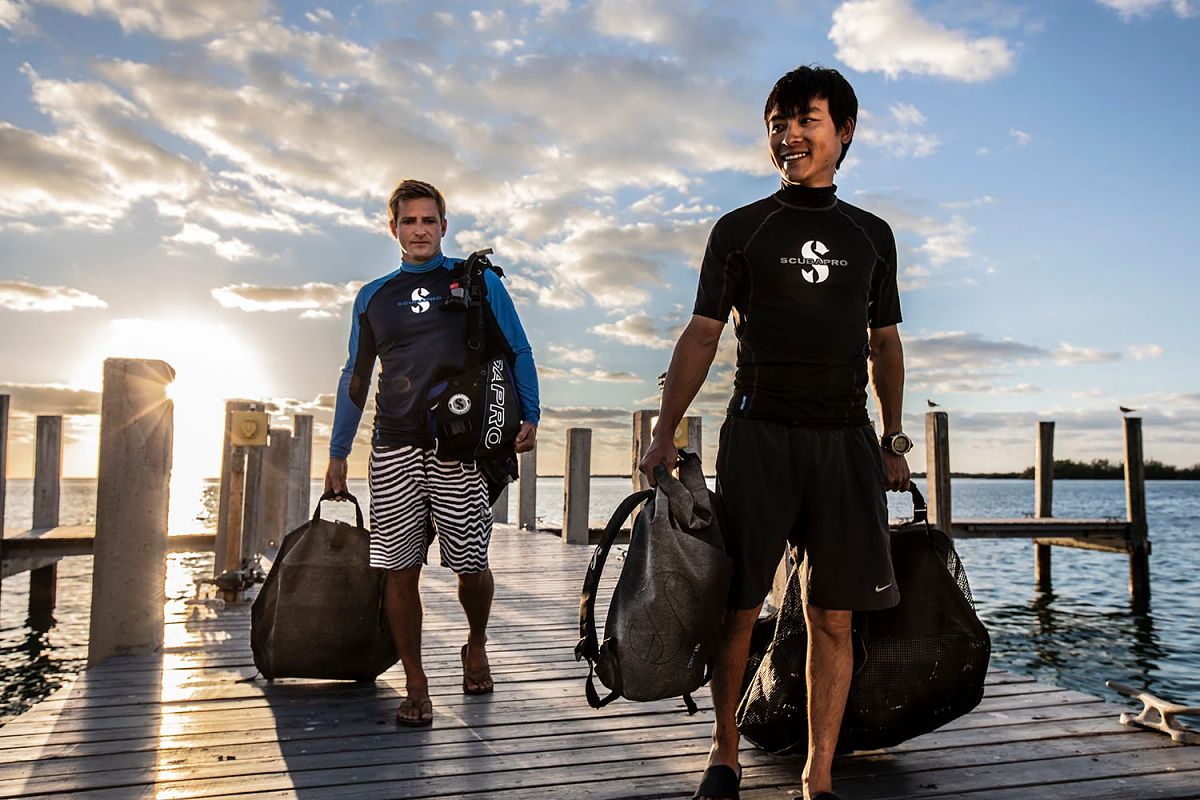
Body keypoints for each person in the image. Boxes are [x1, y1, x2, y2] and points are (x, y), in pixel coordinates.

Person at [640, 66, 911, 800]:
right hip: (759, 436)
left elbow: (884, 343)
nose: (789, 135)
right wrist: (663, 431)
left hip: (844, 441)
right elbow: (702, 334)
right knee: (738, 606)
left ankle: (818, 776)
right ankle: (724, 752)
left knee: (834, 614)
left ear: (843, 131)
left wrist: (892, 438)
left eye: (805, 120)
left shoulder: (872, 236)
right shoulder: (740, 229)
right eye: (777, 124)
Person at [325, 179, 540, 727]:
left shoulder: (477, 280)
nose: (419, 230)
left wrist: (531, 413)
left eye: (428, 221)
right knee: (399, 570)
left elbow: (518, 348)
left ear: (444, 226)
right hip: (394, 446)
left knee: (471, 565)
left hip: (460, 447)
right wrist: (338, 450)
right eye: (408, 221)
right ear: (393, 228)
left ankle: (476, 642)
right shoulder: (373, 297)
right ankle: (416, 682)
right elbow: (356, 374)